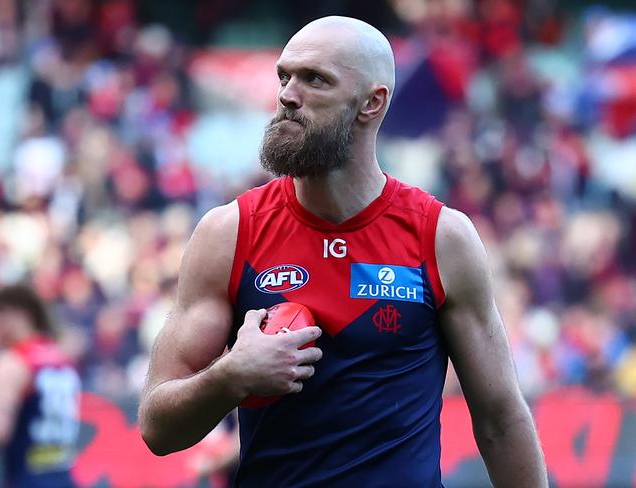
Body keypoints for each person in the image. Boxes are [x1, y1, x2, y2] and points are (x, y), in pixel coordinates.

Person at [139, 16, 548, 487]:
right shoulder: (229, 232)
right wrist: (232, 376)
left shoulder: (441, 236)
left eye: (315, 80)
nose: (289, 95)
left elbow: (500, 419)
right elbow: (156, 428)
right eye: (284, 76)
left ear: (372, 103)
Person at [0, 285, 80, 488]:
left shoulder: (11, 362)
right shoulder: (61, 357)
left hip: (27, 479)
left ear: (16, 314)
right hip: (63, 476)